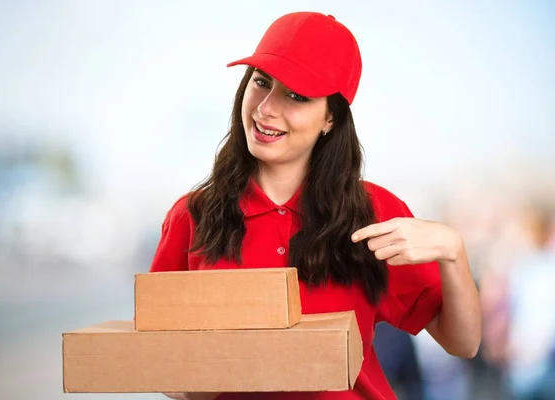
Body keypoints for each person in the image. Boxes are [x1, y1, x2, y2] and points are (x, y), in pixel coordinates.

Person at [151, 11, 481, 400]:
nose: (265, 108)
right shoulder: (193, 216)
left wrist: (453, 253)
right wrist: (216, 373)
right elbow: (164, 369)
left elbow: (463, 343)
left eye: (296, 96)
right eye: (261, 82)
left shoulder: (374, 213)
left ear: (330, 119)